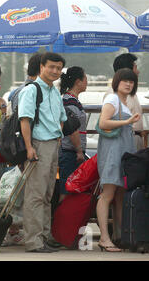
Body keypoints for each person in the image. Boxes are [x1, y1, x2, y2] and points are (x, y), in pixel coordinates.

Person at [18, 52, 67, 253]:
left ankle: (44, 237)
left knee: (47, 195)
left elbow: (62, 117)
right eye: (51, 67)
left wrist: (58, 135)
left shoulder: (54, 91)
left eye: (58, 68)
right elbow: (24, 120)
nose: (55, 71)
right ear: (41, 67)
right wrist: (30, 147)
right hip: (38, 145)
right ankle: (33, 241)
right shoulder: (31, 90)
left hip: (53, 145)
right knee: (35, 195)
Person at [96, 68, 140, 252]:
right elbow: (103, 122)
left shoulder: (124, 101)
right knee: (108, 194)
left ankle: (120, 236)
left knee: (120, 195)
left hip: (122, 152)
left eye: (131, 81)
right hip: (113, 152)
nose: (129, 84)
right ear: (117, 82)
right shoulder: (112, 99)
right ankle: (105, 237)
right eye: (125, 81)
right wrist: (126, 122)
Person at [58, 66, 88, 201]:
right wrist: (79, 151)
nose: (87, 81)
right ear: (78, 81)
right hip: (70, 152)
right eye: (85, 78)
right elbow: (72, 129)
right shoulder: (69, 102)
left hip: (72, 152)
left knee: (70, 188)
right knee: (66, 189)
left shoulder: (73, 100)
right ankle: (61, 219)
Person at [104, 54, 143, 150]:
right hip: (125, 140)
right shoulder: (115, 94)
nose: (138, 72)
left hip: (133, 138)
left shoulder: (129, 91)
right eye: (135, 68)